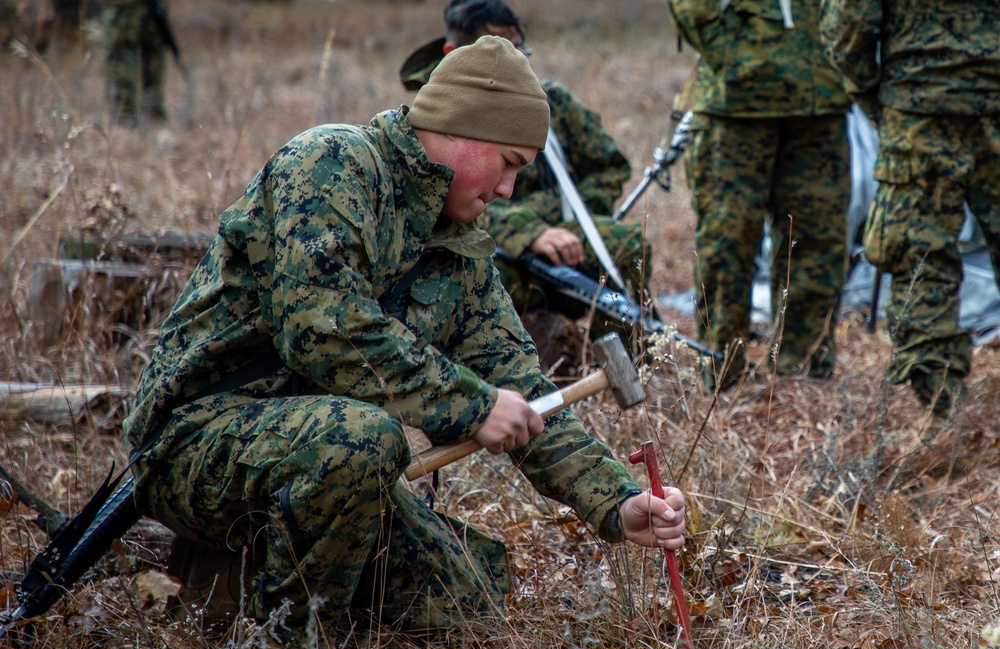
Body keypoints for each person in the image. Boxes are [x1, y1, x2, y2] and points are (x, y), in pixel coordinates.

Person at [123, 36, 685, 649]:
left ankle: (242, 572)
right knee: (363, 441)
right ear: (465, 129)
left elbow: (523, 387)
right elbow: (322, 330)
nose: (508, 191)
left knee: (466, 592)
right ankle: (284, 648)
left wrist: (617, 500)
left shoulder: (461, 243)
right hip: (198, 439)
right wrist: (472, 406)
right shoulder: (332, 163)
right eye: (510, 163)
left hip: (317, 452)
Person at [400, 0, 648, 338]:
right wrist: (529, 231)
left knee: (623, 245)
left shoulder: (551, 103)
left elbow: (610, 167)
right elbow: (440, 200)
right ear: (453, 51)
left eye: (519, 49)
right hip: (491, 250)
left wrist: (571, 223)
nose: (515, 61)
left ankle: (620, 357)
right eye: (499, 49)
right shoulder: (433, 122)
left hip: (566, 242)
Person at [819, 1, 1000, 417]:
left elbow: (849, 21)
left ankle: (944, 413)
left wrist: (876, 94)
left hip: (921, 103)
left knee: (922, 257)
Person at [665, 0, 853, 392]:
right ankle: (723, 374)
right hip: (735, 106)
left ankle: (804, 375)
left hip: (821, 100)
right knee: (728, 243)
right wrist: (731, 56)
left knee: (818, 242)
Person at [103, 0, 175, 123]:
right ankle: (146, 116)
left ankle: (129, 116)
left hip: (129, 6)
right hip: (144, 6)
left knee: (126, 52)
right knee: (142, 53)